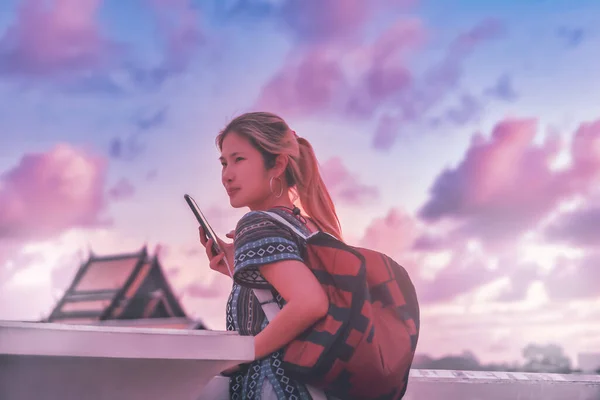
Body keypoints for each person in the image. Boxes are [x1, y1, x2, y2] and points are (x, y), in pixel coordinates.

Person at [198, 111, 343, 399]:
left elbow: (310, 303)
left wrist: (241, 357)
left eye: (239, 159)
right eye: (224, 163)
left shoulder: (256, 225)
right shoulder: (307, 226)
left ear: (276, 164)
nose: (227, 175)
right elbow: (283, 298)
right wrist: (236, 266)